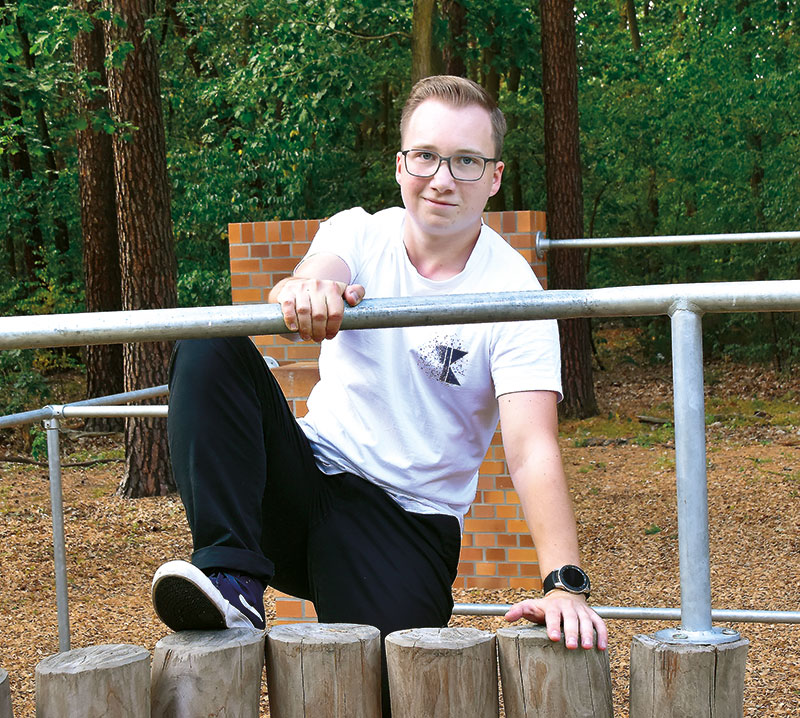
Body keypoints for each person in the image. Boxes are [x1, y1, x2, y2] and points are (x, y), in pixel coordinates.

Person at [152, 75, 607, 709]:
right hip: (306, 478)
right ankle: (232, 583)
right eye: (426, 156)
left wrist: (564, 583)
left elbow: (532, 449)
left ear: (494, 178)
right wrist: (307, 288)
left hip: (405, 520)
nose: (442, 178)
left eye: (466, 161)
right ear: (401, 165)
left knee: (390, 695)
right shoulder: (360, 232)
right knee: (208, 340)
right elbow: (318, 271)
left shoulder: (515, 293)